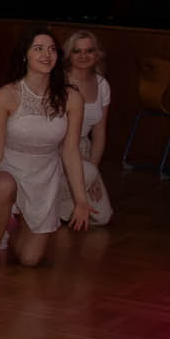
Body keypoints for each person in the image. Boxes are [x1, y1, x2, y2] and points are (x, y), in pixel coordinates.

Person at [0, 28, 94, 271]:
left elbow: (70, 152)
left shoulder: (72, 98)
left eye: (51, 49)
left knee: (30, 259)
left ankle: (10, 226)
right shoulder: (5, 96)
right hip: (8, 167)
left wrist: (81, 200)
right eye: (38, 49)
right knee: (4, 184)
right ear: (25, 55)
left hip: (44, 175)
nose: (46, 55)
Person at [61, 30, 114, 227]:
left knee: (102, 216)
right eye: (77, 51)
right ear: (69, 55)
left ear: (97, 54)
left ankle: (52, 208)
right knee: (86, 176)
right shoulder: (59, 82)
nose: (83, 56)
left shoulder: (102, 84)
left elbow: (99, 133)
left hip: (84, 149)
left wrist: (92, 173)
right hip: (57, 149)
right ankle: (30, 201)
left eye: (89, 51)